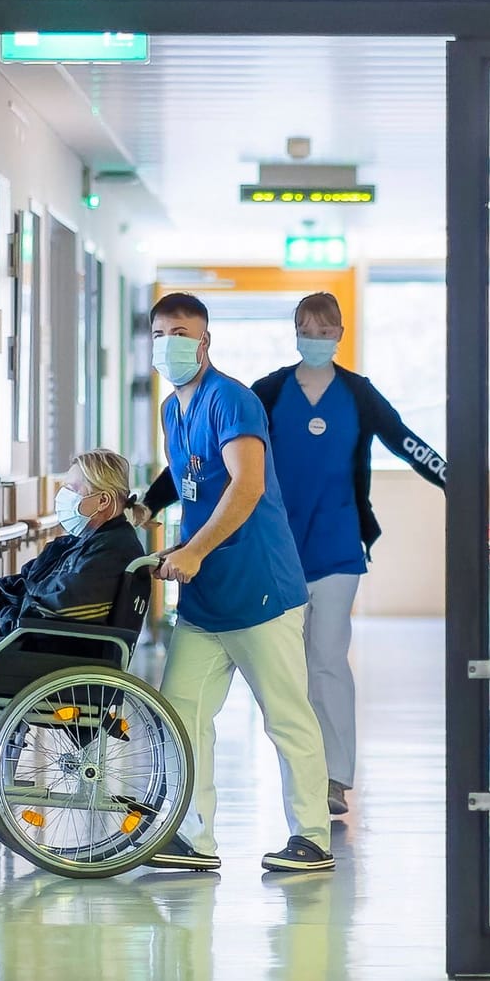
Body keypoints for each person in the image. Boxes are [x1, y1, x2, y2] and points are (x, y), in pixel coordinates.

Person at [135, 292, 334, 874]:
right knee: (182, 711)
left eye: (183, 333)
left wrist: (193, 549)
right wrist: (144, 510)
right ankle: (193, 837)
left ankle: (313, 837)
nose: (173, 343)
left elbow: (246, 484)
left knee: (286, 715)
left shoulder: (233, 399)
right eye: (163, 333)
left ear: (204, 342)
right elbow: (186, 470)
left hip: (261, 589)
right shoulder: (175, 409)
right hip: (206, 596)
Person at [250, 292, 447, 817]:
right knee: (289, 668)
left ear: (339, 334)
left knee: (328, 659)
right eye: (307, 330)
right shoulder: (268, 392)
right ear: (295, 331)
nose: (316, 340)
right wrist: (153, 502)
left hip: (339, 546)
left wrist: (455, 480)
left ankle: (335, 777)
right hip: (278, 550)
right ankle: (304, 771)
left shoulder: (358, 395)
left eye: (325, 331)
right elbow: (218, 447)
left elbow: (405, 442)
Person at [0, 449, 146, 691]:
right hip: (47, 648)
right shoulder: (86, 541)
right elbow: (32, 584)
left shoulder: (112, 549)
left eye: (73, 489)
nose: (64, 497)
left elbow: (59, 608)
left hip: (56, 657)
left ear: (103, 501)